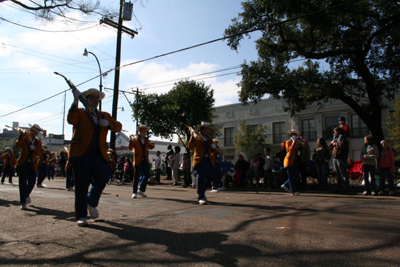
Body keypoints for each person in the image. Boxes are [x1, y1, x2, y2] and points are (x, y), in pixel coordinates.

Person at [67, 88, 122, 226]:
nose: (95, 101)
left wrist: (108, 124)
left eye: (97, 99)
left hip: (99, 154)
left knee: (102, 180)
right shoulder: (79, 112)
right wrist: (75, 101)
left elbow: (119, 126)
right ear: (86, 99)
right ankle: (81, 216)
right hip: (81, 154)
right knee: (81, 186)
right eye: (92, 98)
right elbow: (71, 120)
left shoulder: (104, 115)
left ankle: (91, 203)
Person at [15, 124, 44, 210]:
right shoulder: (24, 138)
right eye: (34, 131)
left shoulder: (38, 142)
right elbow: (17, 146)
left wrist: (34, 148)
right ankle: (23, 202)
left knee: (32, 181)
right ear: (30, 130)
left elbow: (40, 153)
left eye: (36, 132)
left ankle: (26, 195)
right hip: (23, 163)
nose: (34, 133)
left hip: (32, 164)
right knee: (22, 183)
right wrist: (21, 136)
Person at [188, 122, 216, 204]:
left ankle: (202, 192)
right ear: (202, 129)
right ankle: (201, 196)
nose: (208, 130)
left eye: (209, 128)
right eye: (206, 128)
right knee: (202, 177)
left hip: (208, 160)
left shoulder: (210, 138)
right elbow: (190, 147)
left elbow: (212, 150)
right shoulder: (196, 136)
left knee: (210, 177)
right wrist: (192, 137)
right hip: (200, 160)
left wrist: (214, 148)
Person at [129, 125, 155, 198]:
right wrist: (130, 141)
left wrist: (153, 145)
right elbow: (130, 148)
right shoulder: (135, 139)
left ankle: (141, 190)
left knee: (146, 175)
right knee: (136, 176)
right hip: (138, 159)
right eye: (143, 131)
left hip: (145, 160)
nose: (144, 132)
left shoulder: (146, 139)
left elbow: (150, 147)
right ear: (139, 131)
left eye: (145, 131)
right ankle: (134, 192)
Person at [329, 127, 350, 194]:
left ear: (339, 132)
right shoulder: (335, 138)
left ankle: (345, 187)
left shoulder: (344, 138)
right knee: (337, 173)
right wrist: (332, 143)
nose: (334, 133)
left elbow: (342, 145)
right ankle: (338, 187)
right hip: (335, 157)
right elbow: (330, 147)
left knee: (343, 173)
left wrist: (336, 144)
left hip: (341, 158)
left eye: (335, 132)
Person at [281, 129, 301, 196]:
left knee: (296, 176)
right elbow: (289, 150)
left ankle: (286, 184)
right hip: (288, 162)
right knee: (291, 177)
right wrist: (293, 143)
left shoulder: (295, 143)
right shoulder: (288, 142)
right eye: (293, 134)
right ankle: (293, 191)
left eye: (295, 134)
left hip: (293, 161)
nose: (295, 135)